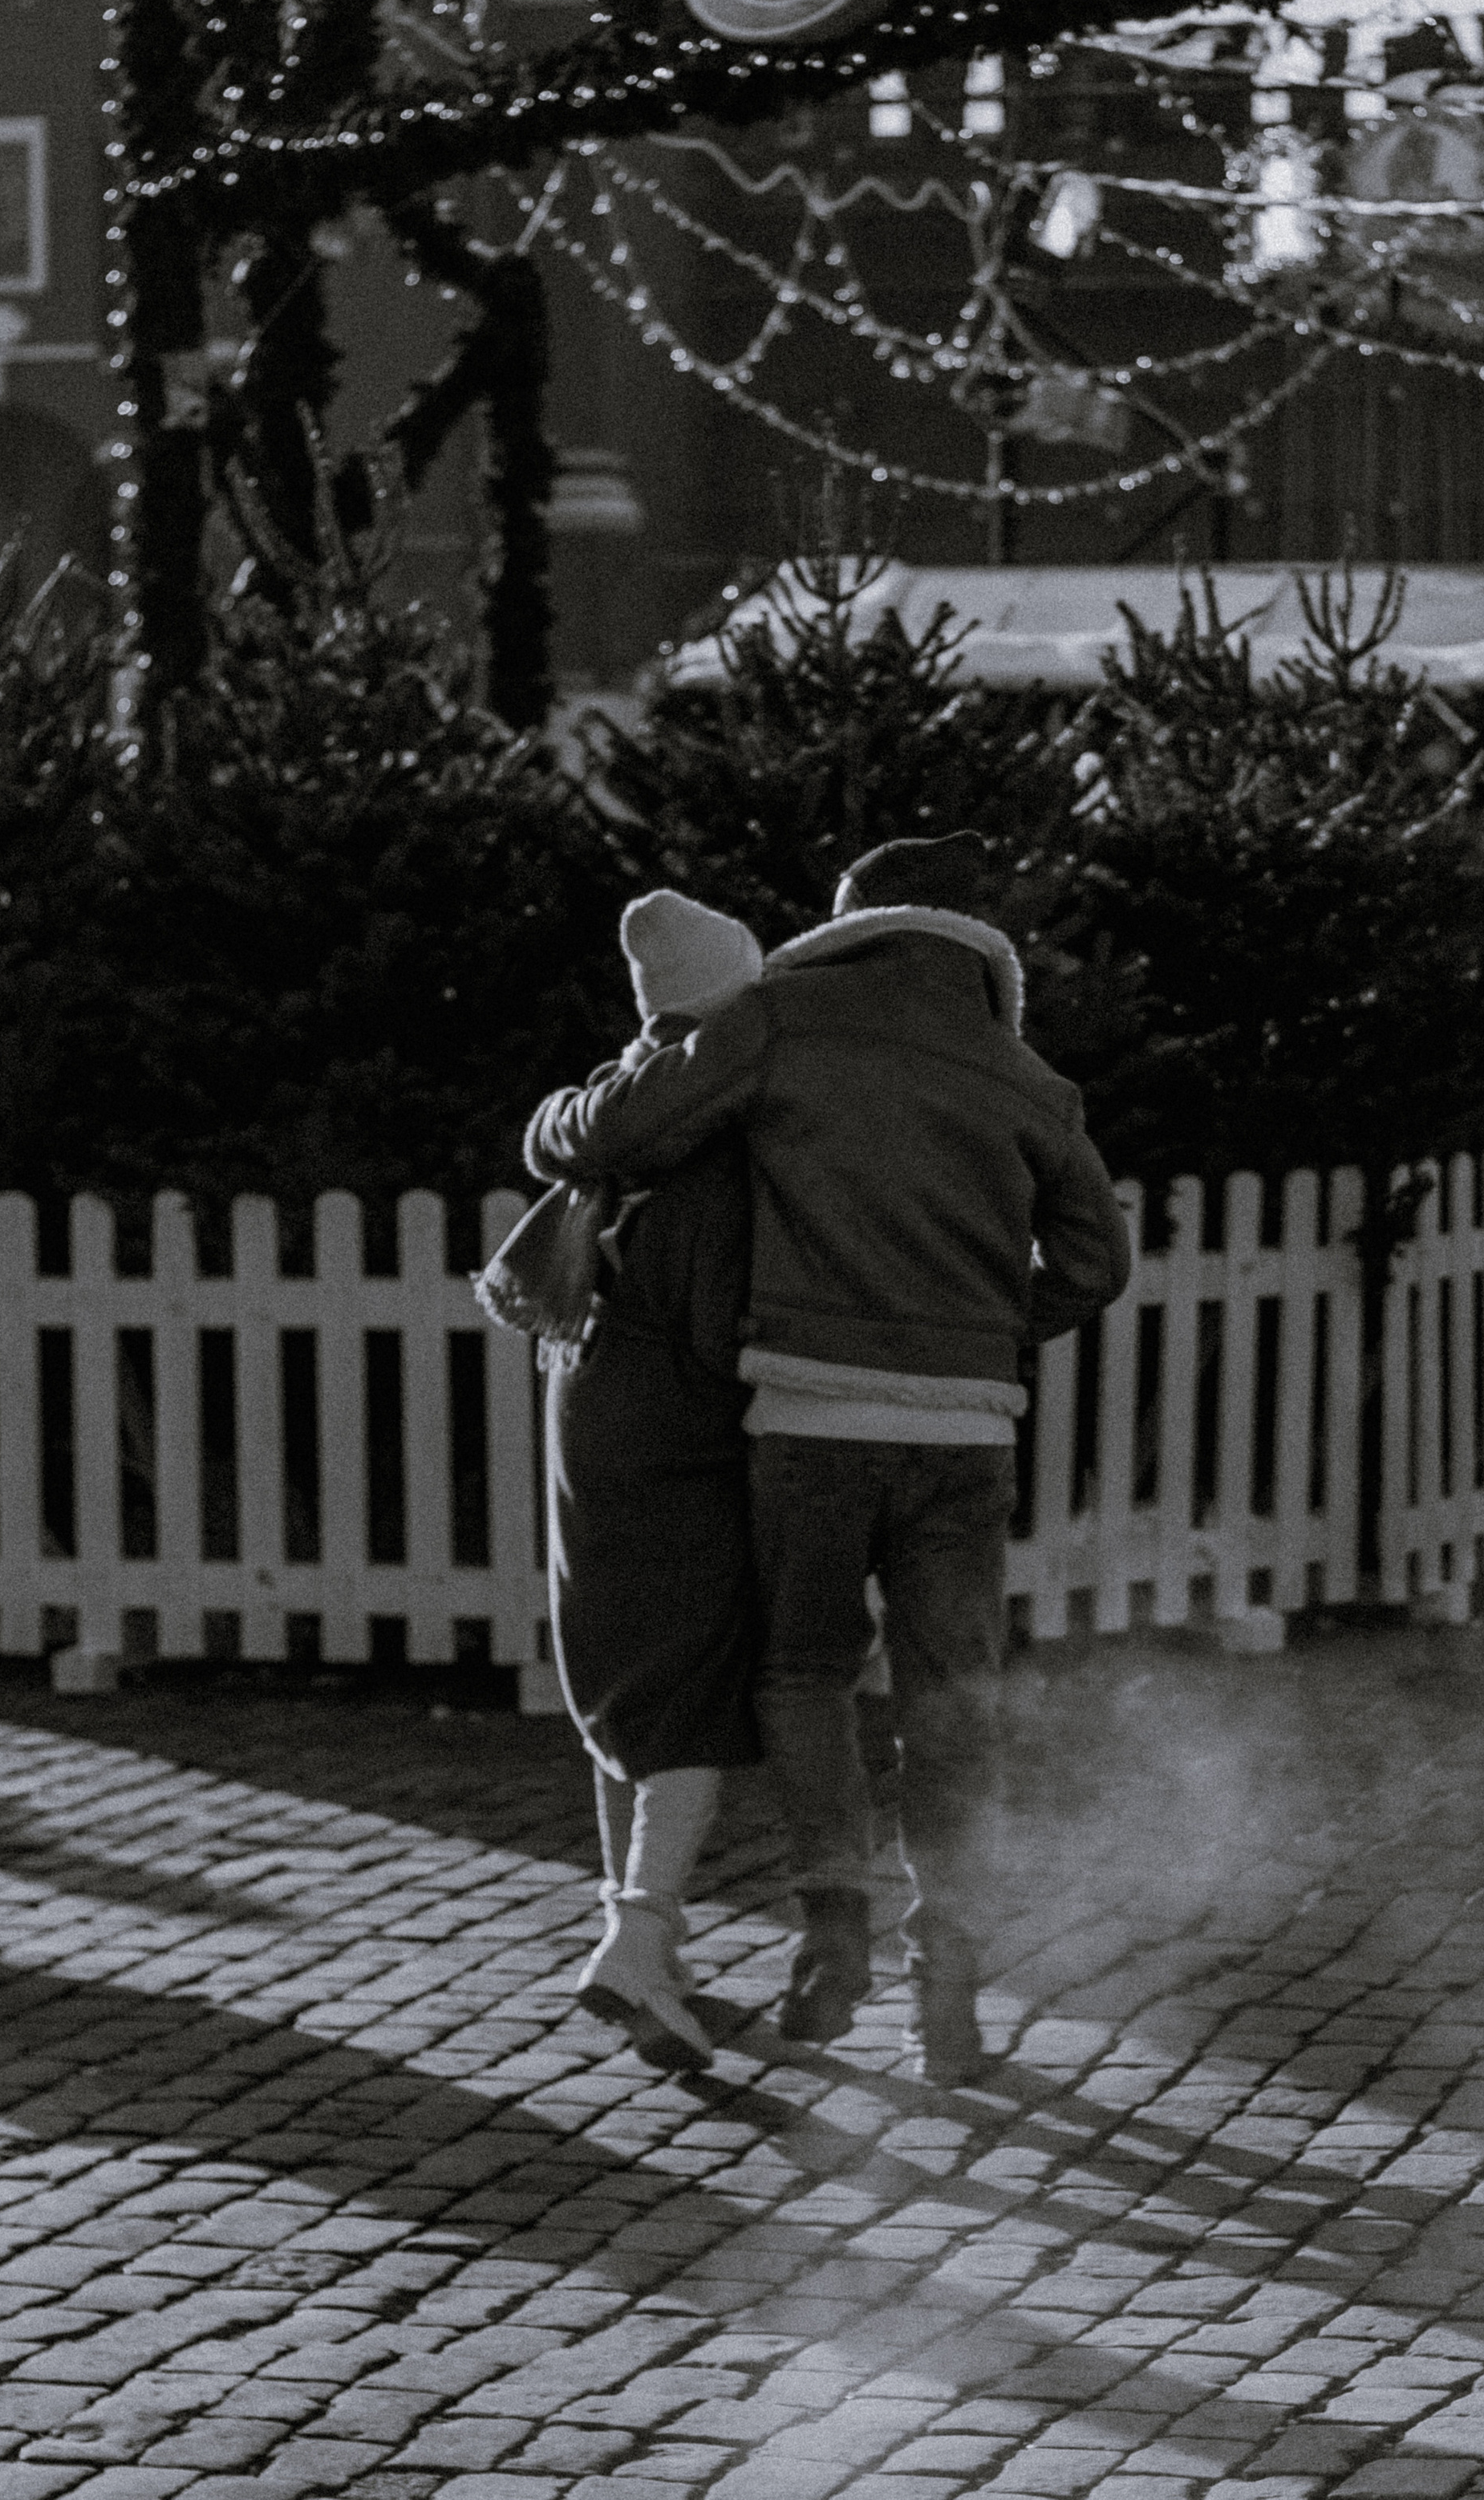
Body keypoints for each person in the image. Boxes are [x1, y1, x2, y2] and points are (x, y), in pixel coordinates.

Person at [525, 828, 1132, 2084]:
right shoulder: (1028, 1079)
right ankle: (948, 2002)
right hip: (965, 1434)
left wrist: (558, 1119)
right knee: (952, 1702)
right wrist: (985, 1331)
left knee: (804, 1675)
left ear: (851, 922)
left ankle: (833, 1938)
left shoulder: (783, 1021)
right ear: (978, 949)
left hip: (806, 1420)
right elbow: (1096, 1263)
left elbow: (620, 1133)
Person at [547, 889, 767, 2073]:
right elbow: (721, 1322)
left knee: (617, 1675)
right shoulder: (714, 1138)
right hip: (676, 1420)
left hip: (585, 1401)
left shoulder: (615, 1107)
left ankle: (647, 1954)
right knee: (689, 1676)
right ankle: (640, 1940)